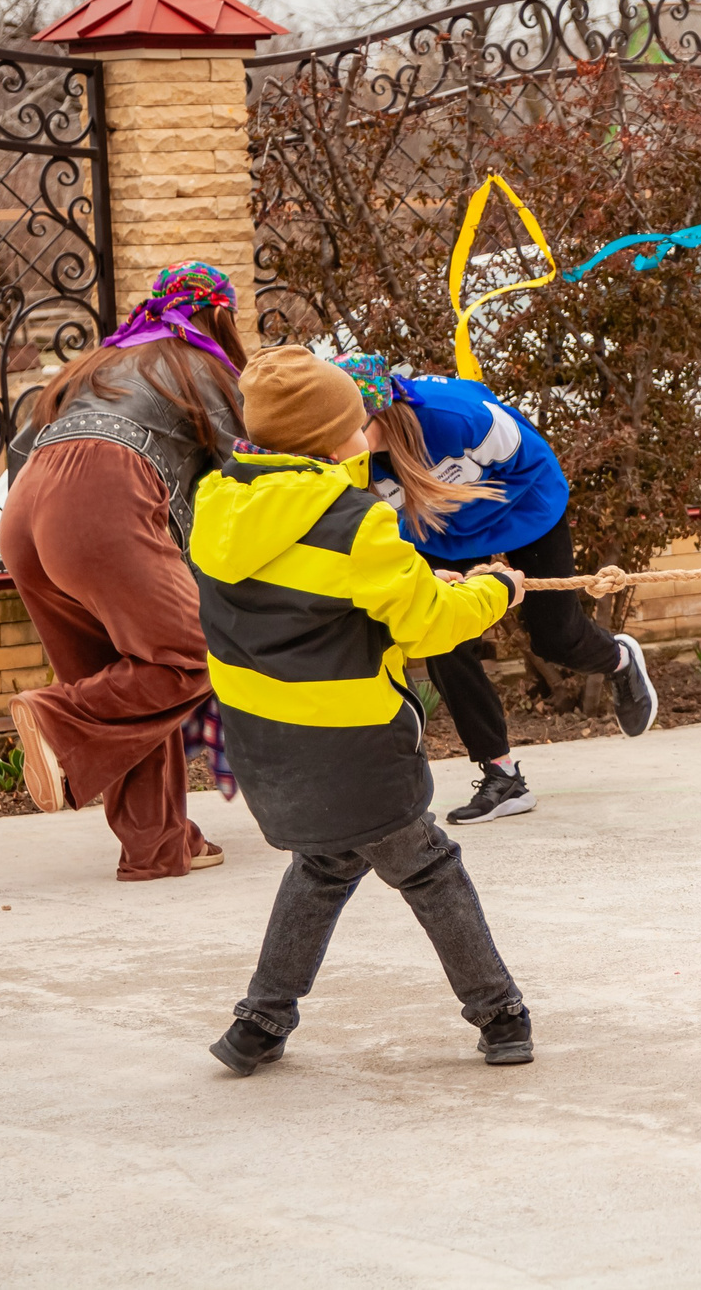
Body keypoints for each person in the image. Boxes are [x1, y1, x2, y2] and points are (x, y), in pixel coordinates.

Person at [193, 347, 534, 1075]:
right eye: (356, 422)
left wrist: (413, 580)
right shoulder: (355, 521)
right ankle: (500, 1011)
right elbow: (428, 624)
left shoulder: (215, 506)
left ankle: (260, 1020)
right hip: (354, 748)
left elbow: (311, 604)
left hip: (266, 745)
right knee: (430, 870)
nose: (367, 432)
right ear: (327, 439)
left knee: (323, 863)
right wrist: (495, 590)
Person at [0, 261, 244, 881]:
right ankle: (57, 719)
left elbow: (27, 443)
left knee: (129, 678)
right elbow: (232, 480)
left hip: (27, 509)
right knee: (191, 654)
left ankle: (158, 847)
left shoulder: (97, 363)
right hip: (102, 496)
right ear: (219, 314)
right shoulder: (207, 366)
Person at [343, 356, 659, 826]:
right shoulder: (356, 461)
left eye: (348, 427)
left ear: (380, 414)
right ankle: (502, 775)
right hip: (439, 536)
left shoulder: (457, 418)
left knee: (555, 637)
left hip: (526, 515)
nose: (338, 444)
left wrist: (485, 539)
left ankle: (620, 660)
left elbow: (534, 461)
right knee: (445, 638)